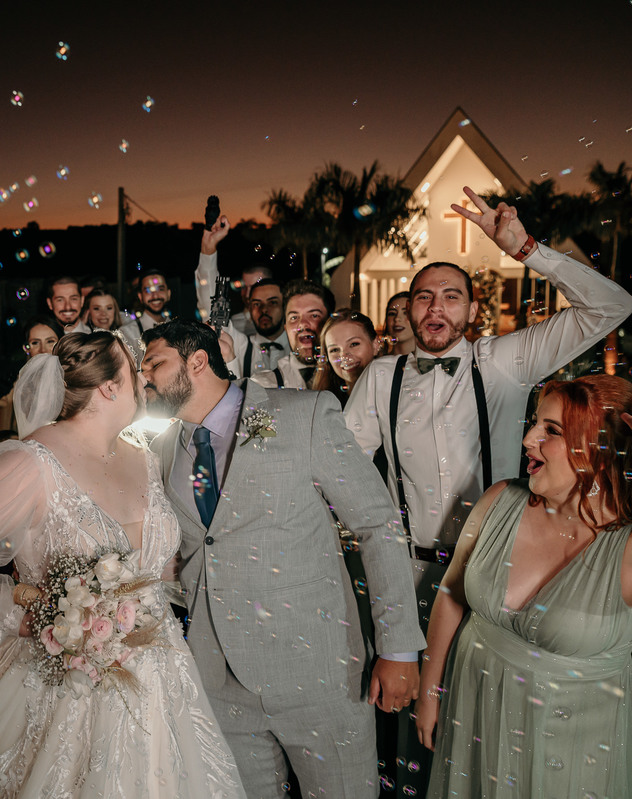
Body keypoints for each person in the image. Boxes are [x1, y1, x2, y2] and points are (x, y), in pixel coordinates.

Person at [344, 187, 632, 795]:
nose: (435, 308)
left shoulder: (504, 360)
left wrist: (527, 249)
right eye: (424, 296)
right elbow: (343, 470)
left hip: (501, 575)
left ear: (472, 310)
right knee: (407, 728)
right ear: (408, 308)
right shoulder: (380, 376)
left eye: (451, 296)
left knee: (489, 722)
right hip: (407, 573)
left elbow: (612, 306)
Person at [0, 331, 246, 798]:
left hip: (163, 672)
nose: (145, 379)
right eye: (136, 369)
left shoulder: (145, 457)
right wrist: (22, 616)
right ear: (110, 388)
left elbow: (158, 564)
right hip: (68, 680)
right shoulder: (31, 463)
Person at [416, 375, 632, 798]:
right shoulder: (500, 499)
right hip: (472, 719)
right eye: (535, 423)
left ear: (599, 451)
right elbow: (452, 593)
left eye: (551, 430)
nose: (528, 439)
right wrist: (430, 692)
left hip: (567, 761)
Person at [142, 319, 425, 799]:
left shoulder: (302, 414)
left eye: (154, 364)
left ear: (197, 361)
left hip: (317, 672)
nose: (144, 377)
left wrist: (398, 649)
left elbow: (378, 526)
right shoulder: (163, 449)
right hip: (218, 681)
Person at [195, 218, 289, 377]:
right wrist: (208, 249)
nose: (264, 309)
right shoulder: (241, 344)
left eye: (272, 302)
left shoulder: (300, 343)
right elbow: (213, 308)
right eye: (256, 303)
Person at [0, 316, 64, 434]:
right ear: (27, 348)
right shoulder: (20, 379)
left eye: (50, 341)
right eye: (35, 343)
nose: (43, 350)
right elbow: (7, 404)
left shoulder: (72, 379)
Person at [310, 310, 381, 403]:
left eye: (354, 344)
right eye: (334, 350)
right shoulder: (322, 403)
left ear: (375, 345)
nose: (343, 356)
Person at [382, 292, 413, 356]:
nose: (397, 318)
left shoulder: (431, 361)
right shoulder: (377, 362)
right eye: (392, 313)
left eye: (406, 313)